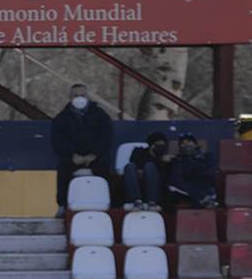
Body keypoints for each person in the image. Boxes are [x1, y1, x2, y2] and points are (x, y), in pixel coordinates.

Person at [50, 83, 112, 216]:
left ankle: (108, 203)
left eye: (82, 95)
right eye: (75, 95)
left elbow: (106, 137)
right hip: (72, 158)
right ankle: (63, 205)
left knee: (105, 169)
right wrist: (72, 155)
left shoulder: (100, 115)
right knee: (63, 170)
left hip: (95, 157)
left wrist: (94, 154)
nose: (79, 98)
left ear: (88, 96)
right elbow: (58, 141)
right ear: (70, 97)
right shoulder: (62, 118)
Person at [122, 132, 171, 212]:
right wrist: (157, 160)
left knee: (150, 166)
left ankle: (152, 202)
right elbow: (134, 163)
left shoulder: (166, 158)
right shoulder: (138, 152)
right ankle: (136, 201)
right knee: (129, 166)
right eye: (158, 145)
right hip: (138, 184)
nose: (161, 148)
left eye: (163, 145)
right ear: (151, 145)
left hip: (157, 187)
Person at [168, 133, 218, 208]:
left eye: (189, 142)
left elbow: (211, 173)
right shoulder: (178, 159)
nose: (186, 145)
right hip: (187, 190)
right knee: (173, 183)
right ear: (180, 147)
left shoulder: (207, 156)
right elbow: (177, 178)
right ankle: (203, 199)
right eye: (183, 143)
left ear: (195, 144)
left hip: (206, 188)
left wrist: (192, 163)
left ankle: (204, 200)